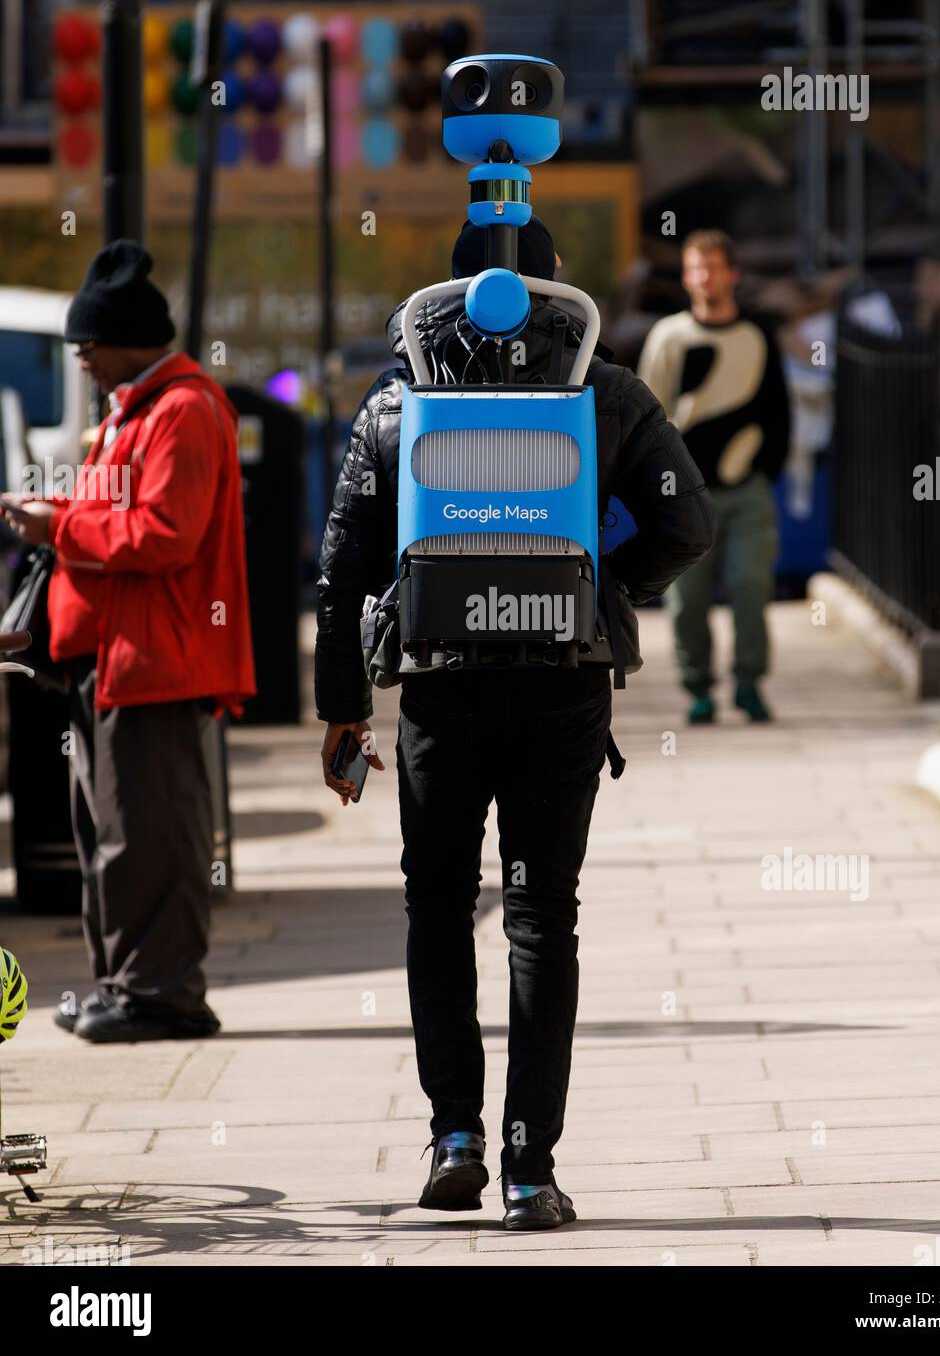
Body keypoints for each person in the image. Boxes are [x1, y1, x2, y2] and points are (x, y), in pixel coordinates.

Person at [315, 216, 716, 1230]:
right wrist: (601, 585)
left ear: (451, 289)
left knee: (439, 905)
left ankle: (453, 1133)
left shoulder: (398, 397)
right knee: (541, 916)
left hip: (441, 688)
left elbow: (343, 568)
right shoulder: (605, 390)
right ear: (552, 286)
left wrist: (341, 709)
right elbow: (686, 523)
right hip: (559, 684)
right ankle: (530, 1169)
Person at [0, 239, 255, 1043]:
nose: (81, 363)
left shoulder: (183, 409)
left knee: (151, 833)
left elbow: (164, 535)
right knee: (111, 834)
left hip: (158, 661)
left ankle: (163, 992)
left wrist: (59, 521)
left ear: (126, 342)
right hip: (114, 661)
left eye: (88, 347)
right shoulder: (138, 410)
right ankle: (126, 983)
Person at [637, 229, 790, 722]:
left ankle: (749, 684)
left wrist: (766, 470)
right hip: (684, 494)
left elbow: (778, 412)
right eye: (694, 268)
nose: (703, 277)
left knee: (751, 585)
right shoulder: (669, 337)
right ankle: (698, 688)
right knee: (687, 599)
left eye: (712, 267)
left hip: (745, 490)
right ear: (685, 277)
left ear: (732, 274)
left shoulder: (757, 334)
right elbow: (649, 414)